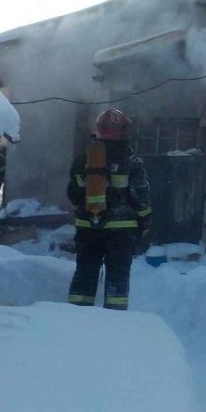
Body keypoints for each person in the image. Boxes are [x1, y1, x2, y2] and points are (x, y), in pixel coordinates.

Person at [66, 108, 152, 310]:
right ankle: (115, 319)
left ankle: (75, 315)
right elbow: (140, 195)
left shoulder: (83, 159)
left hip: (88, 227)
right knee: (117, 275)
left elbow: (73, 194)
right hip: (121, 231)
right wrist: (145, 221)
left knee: (85, 271)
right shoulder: (131, 161)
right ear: (123, 131)